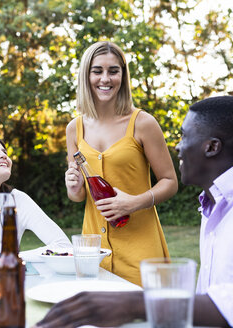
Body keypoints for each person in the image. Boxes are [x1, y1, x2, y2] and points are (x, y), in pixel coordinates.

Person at [35, 96, 233, 328]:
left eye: (184, 136)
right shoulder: (217, 206)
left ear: (212, 147)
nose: (178, 147)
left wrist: (137, 303)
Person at [64, 41, 178, 286]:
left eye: (113, 71)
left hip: (141, 248)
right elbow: (79, 196)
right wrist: (73, 187)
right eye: (97, 71)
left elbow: (170, 182)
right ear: (86, 75)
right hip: (93, 251)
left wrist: (135, 202)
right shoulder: (74, 128)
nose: (105, 78)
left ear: (123, 76)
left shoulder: (143, 123)